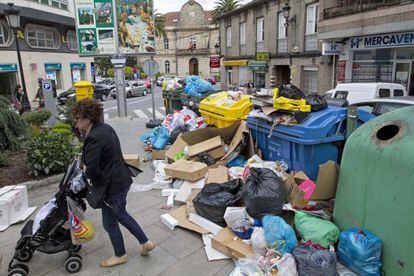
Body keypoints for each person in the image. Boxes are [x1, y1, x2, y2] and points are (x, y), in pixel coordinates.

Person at [72, 99, 155, 267]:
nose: (76, 121)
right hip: (120, 180)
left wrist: (84, 172)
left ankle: (122, 254)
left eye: (79, 118)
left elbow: (92, 170)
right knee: (116, 216)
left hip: (112, 185)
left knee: (115, 218)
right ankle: (144, 243)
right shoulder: (105, 128)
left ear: (88, 118)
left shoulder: (94, 137)